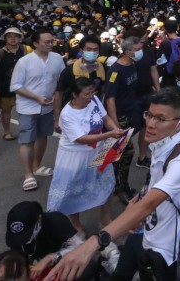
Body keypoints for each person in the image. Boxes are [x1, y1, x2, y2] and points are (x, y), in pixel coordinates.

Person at [47, 88, 180, 281]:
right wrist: (137, 199)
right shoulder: (162, 143)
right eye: (149, 115)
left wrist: (94, 243)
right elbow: (153, 185)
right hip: (146, 230)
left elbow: (149, 204)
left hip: (167, 250)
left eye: (160, 119)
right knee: (121, 273)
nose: (151, 124)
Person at [47, 78, 123, 233]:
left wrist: (116, 131)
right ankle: (75, 223)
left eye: (92, 92)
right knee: (73, 192)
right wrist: (110, 134)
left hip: (97, 151)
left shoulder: (94, 100)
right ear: (75, 95)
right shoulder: (67, 114)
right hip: (75, 157)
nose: (91, 95)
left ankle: (105, 217)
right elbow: (81, 139)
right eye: (87, 93)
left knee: (108, 184)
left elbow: (106, 118)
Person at [10, 28, 65, 191]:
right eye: (46, 42)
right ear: (35, 43)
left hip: (47, 107)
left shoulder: (56, 58)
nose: (50, 44)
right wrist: (36, 97)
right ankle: (28, 174)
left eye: (51, 41)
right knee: (27, 141)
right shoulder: (24, 62)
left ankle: (37, 166)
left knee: (43, 137)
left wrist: (57, 96)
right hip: (28, 107)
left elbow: (61, 79)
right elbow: (15, 86)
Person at [103, 35, 143, 204]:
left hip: (131, 112)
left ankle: (119, 185)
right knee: (125, 152)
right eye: (138, 49)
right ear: (128, 52)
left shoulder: (133, 64)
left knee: (120, 153)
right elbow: (110, 98)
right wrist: (115, 124)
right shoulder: (115, 71)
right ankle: (118, 187)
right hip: (119, 117)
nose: (141, 51)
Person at [5, 201, 85, 277]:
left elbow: (81, 247)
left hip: (63, 257)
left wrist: (50, 258)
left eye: (26, 234)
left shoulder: (56, 220)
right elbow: (17, 256)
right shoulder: (16, 235)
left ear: (39, 219)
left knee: (85, 270)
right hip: (38, 264)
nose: (22, 240)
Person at [0, 27, 28, 141]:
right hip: (6, 86)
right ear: (5, 39)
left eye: (15, 36)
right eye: (9, 37)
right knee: (6, 109)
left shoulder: (23, 49)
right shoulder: (1, 53)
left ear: (19, 38)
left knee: (24, 108)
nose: (13, 39)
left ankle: (26, 130)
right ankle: (7, 132)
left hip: (22, 84)